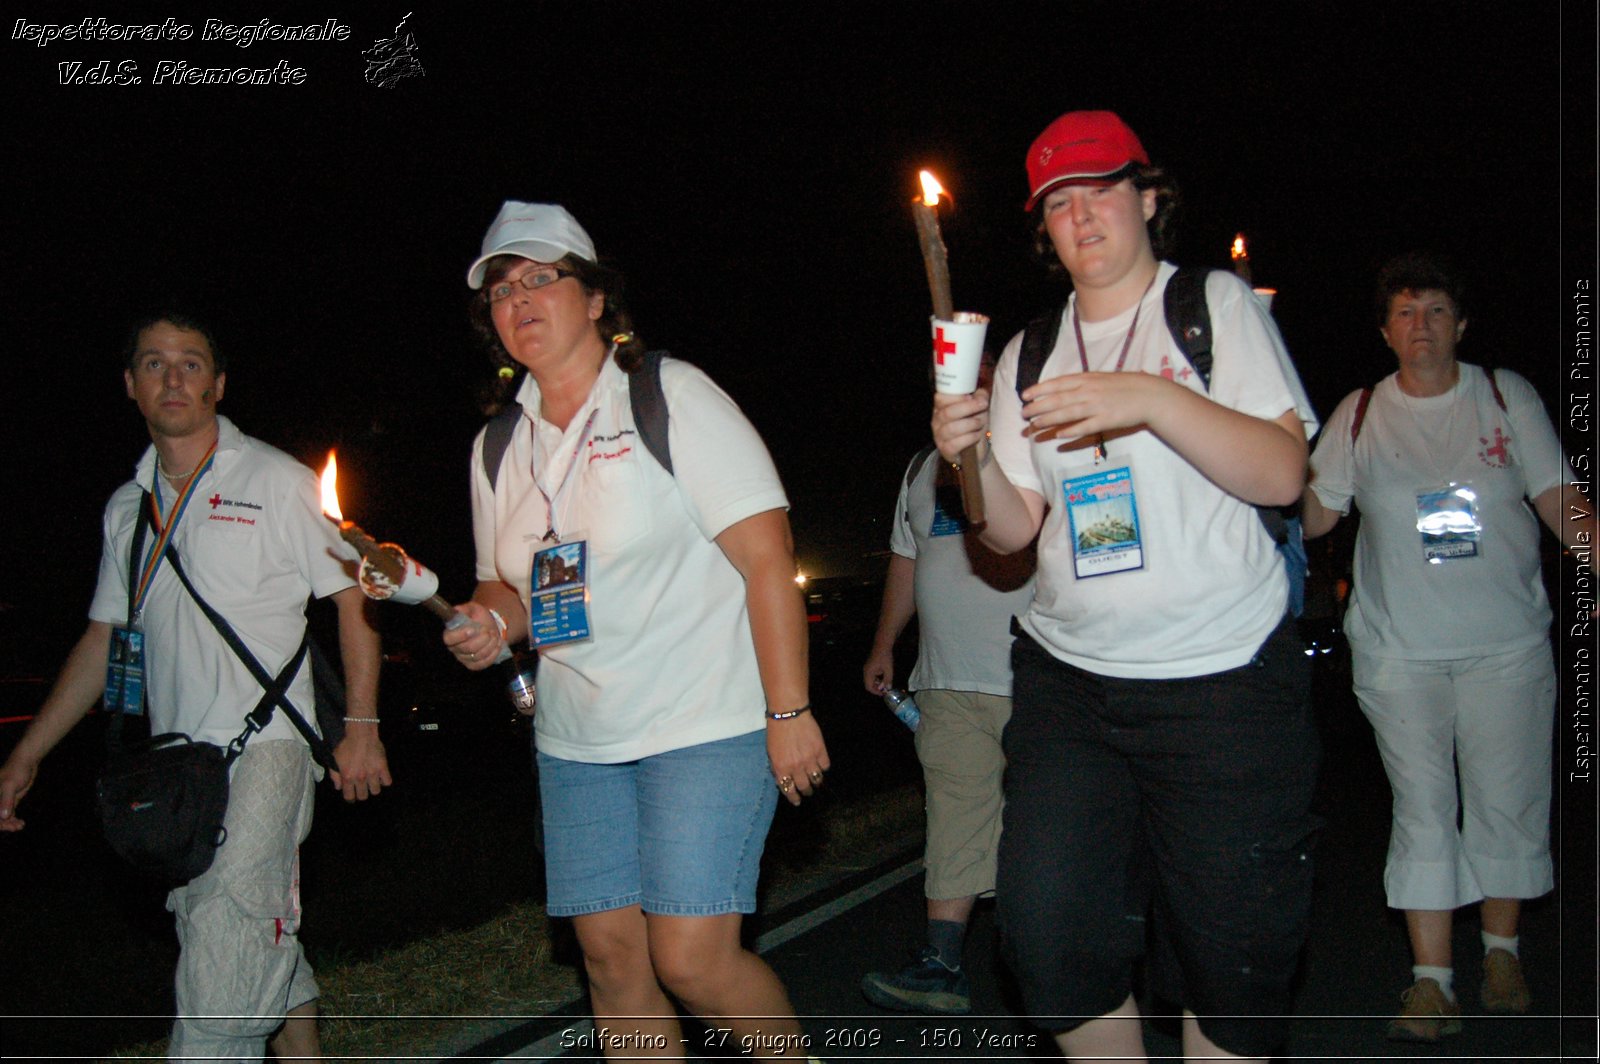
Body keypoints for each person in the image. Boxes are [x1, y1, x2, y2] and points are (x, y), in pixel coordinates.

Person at [930, 110, 1322, 1062]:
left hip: (1225, 683)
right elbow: (1012, 532)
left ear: (1148, 197)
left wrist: (1148, 397)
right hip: (1076, 686)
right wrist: (967, 458)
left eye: (1100, 188)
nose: (1082, 214)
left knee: (1233, 960)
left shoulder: (1212, 306)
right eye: (1058, 202)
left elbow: (1282, 475)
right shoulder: (1027, 350)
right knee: (1049, 936)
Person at [446, 201, 828, 1060]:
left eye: (543, 278)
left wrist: (789, 710)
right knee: (612, 962)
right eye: (503, 289)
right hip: (576, 739)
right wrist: (485, 622)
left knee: (691, 959)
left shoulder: (667, 395)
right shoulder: (497, 446)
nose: (521, 300)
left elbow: (768, 557)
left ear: (594, 299)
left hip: (705, 723)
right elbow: (503, 586)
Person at [0, 313, 390, 1060]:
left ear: (216, 384)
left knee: (228, 931)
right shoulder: (127, 509)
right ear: (130, 386)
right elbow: (106, 640)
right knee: (229, 920)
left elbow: (353, 598)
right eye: (153, 363)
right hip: (179, 766)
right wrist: (28, 754)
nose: (172, 377)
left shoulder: (277, 480)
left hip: (268, 747)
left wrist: (362, 725)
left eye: (189, 363)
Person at [1301, 250, 1595, 1043]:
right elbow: (1314, 514)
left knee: (1508, 797)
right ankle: (1432, 982)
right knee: (1423, 806)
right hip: (1399, 650)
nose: (1419, 325)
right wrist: (1265, 465)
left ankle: (1502, 953)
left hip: (1506, 644)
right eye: (1403, 312)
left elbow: (1561, 500)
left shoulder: (1505, 397)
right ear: (1385, 331)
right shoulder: (1359, 412)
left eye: (1433, 310)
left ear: (1460, 323)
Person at [858, 433, 1034, 1015]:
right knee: (954, 819)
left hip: (1036, 677)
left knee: (1049, 823)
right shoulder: (919, 469)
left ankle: (1063, 958)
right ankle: (942, 964)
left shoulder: (1036, 449)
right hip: (944, 677)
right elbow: (908, 560)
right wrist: (884, 644)